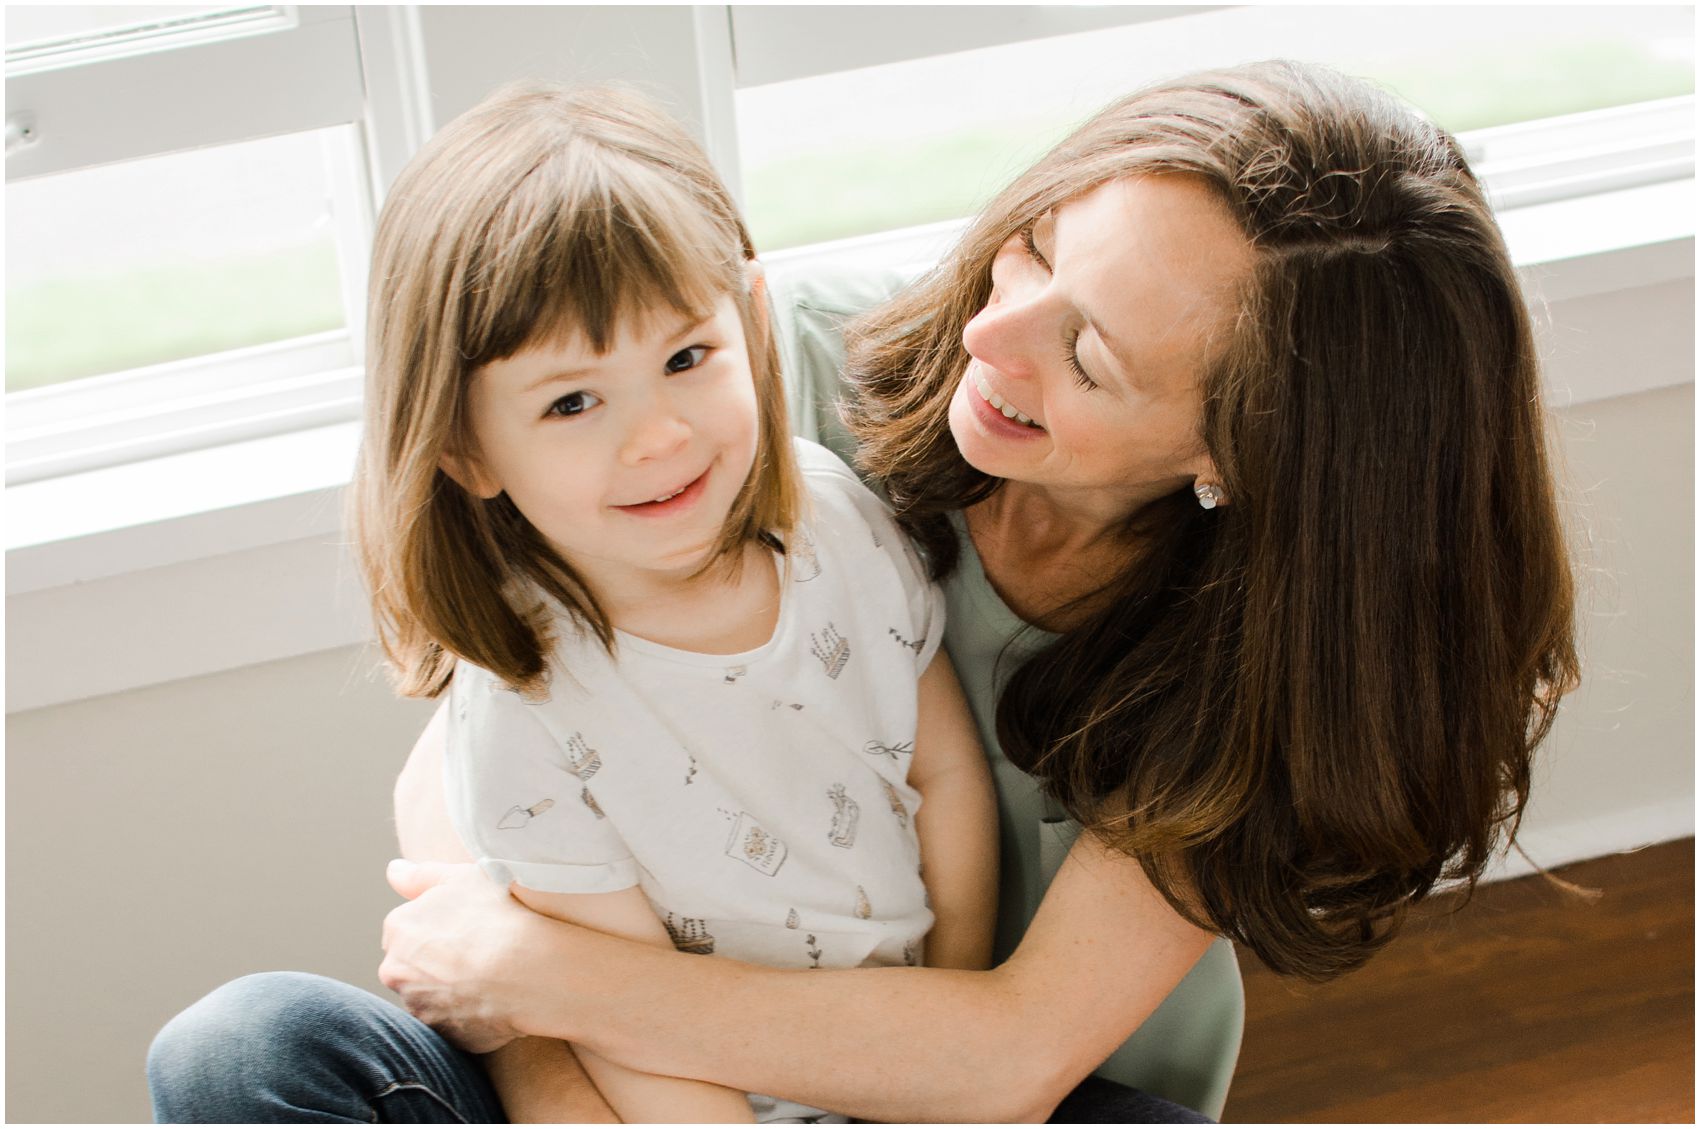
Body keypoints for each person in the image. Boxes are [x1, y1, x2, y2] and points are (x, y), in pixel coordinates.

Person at [155, 59, 1581, 1124]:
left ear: (1244, 458)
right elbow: (474, 756)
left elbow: (1011, 1055)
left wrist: (552, 980)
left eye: (1089, 359)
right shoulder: (755, 377)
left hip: (998, 1091)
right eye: (1031, 247)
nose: (993, 336)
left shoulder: (1276, 658)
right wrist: (556, 1068)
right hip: (634, 1073)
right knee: (249, 1055)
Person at [148, 83, 1002, 1124]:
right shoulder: (525, 694)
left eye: (687, 357)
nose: (658, 436)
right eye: (571, 401)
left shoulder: (837, 519)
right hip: (672, 1096)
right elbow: (624, 1020)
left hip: (895, 1061)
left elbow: (943, 773)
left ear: (751, 317)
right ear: (464, 447)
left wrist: (948, 1064)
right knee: (239, 1054)